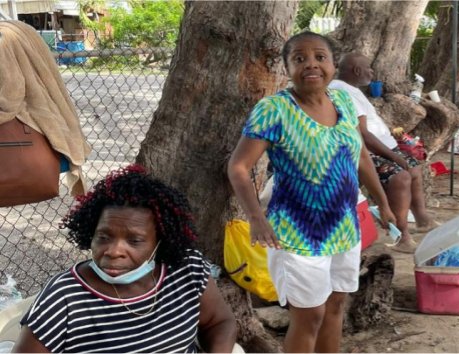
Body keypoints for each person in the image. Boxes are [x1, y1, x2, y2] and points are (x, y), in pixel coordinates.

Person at [227, 32, 396, 353]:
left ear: (333, 65)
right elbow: (238, 167)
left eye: (320, 57)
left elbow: (360, 156)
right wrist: (256, 218)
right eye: (299, 59)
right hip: (295, 234)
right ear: (287, 67)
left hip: (344, 229)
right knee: (309, 317)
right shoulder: (274, 110)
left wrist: (383, 203)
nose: (311, 64)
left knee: (335, 308)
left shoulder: (344, 101)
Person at [12, 165, 237, 353]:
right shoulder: (65, 298)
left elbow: (219, 322)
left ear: (160, 241)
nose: (114, 251)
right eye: (103, 237)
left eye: (134, 240)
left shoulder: (186, 269)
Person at [329, 53, 436, 254]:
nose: (372, 72)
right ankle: (402, 236)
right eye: (369, 68)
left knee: (413, 167)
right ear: (357, 71)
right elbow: (362, 134)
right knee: (400, 177)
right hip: (364, 151)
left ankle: (422, 219)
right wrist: (393, 155)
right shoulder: (343, 91)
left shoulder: (352, 90)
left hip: (381, 147)